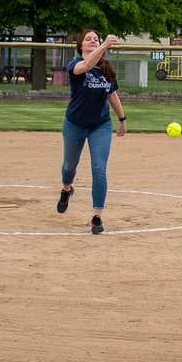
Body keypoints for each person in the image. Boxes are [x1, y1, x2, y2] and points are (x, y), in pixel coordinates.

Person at [57, 30, 127, 234]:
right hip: (75, 124)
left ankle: (97, 216)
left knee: (99, 168)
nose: (93, 41)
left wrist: (122, 118)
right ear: (80, 46)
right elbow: (86, 66)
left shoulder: (106, 69)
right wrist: (104, 45)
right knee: (69, 165)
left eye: (95, 39)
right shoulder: (75, 65)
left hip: (100, 125)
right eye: (88, 39)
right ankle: (66, 189)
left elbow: (112, 95)